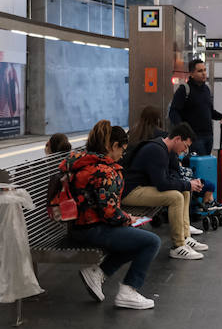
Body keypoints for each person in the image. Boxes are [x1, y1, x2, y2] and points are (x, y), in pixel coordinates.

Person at [62, 120, 161, 310]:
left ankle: (98, 274)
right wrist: (127, 219)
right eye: (122, 150)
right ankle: (129, 290)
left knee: (137, 239)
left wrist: (123, 218)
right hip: (93, 229)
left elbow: (102, 207)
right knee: (151, 242)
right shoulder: (104, 171)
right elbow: (109, 214)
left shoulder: (83, 161)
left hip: (79, 226)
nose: (122, 155)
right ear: (113, 146)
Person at [123, 123, 209, 260]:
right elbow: (162, 184)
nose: (184, 151)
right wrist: (187, 184)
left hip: (142, 188)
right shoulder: (157, 150)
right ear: (177, 139)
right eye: (185, 146)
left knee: (185, 192)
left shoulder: (164, 149)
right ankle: (178, 246)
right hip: (131, 192)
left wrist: (188, 185)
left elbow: (169, 177)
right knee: (176, 197)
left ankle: (185, 236)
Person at [169, 59, 222, 156]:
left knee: (205, 165)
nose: (204, 73)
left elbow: (210, 111)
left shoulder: (206, 90)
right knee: (199, 166)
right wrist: (184, 131)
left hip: (208, 136)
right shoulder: (184, 90)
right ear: (191, 74)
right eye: (200, 71)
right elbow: (173, 112)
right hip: (194, 138)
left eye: (204, 70)